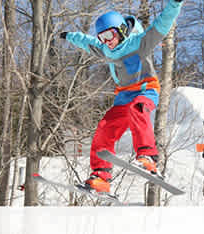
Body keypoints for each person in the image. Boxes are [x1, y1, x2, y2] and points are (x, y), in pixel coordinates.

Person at [59, 0, 184, 194]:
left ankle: (148, 156)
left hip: (145, 91)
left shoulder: (141, 43)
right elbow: (86, 42)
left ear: (122, 30)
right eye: (102, 37)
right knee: (104, 128)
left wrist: (174, 4)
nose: (106, 41)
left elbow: (162, 23)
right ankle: (101, 176)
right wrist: (70, 36)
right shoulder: (107, 51)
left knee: (138, 109)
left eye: (109, 34)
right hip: (123, 97)